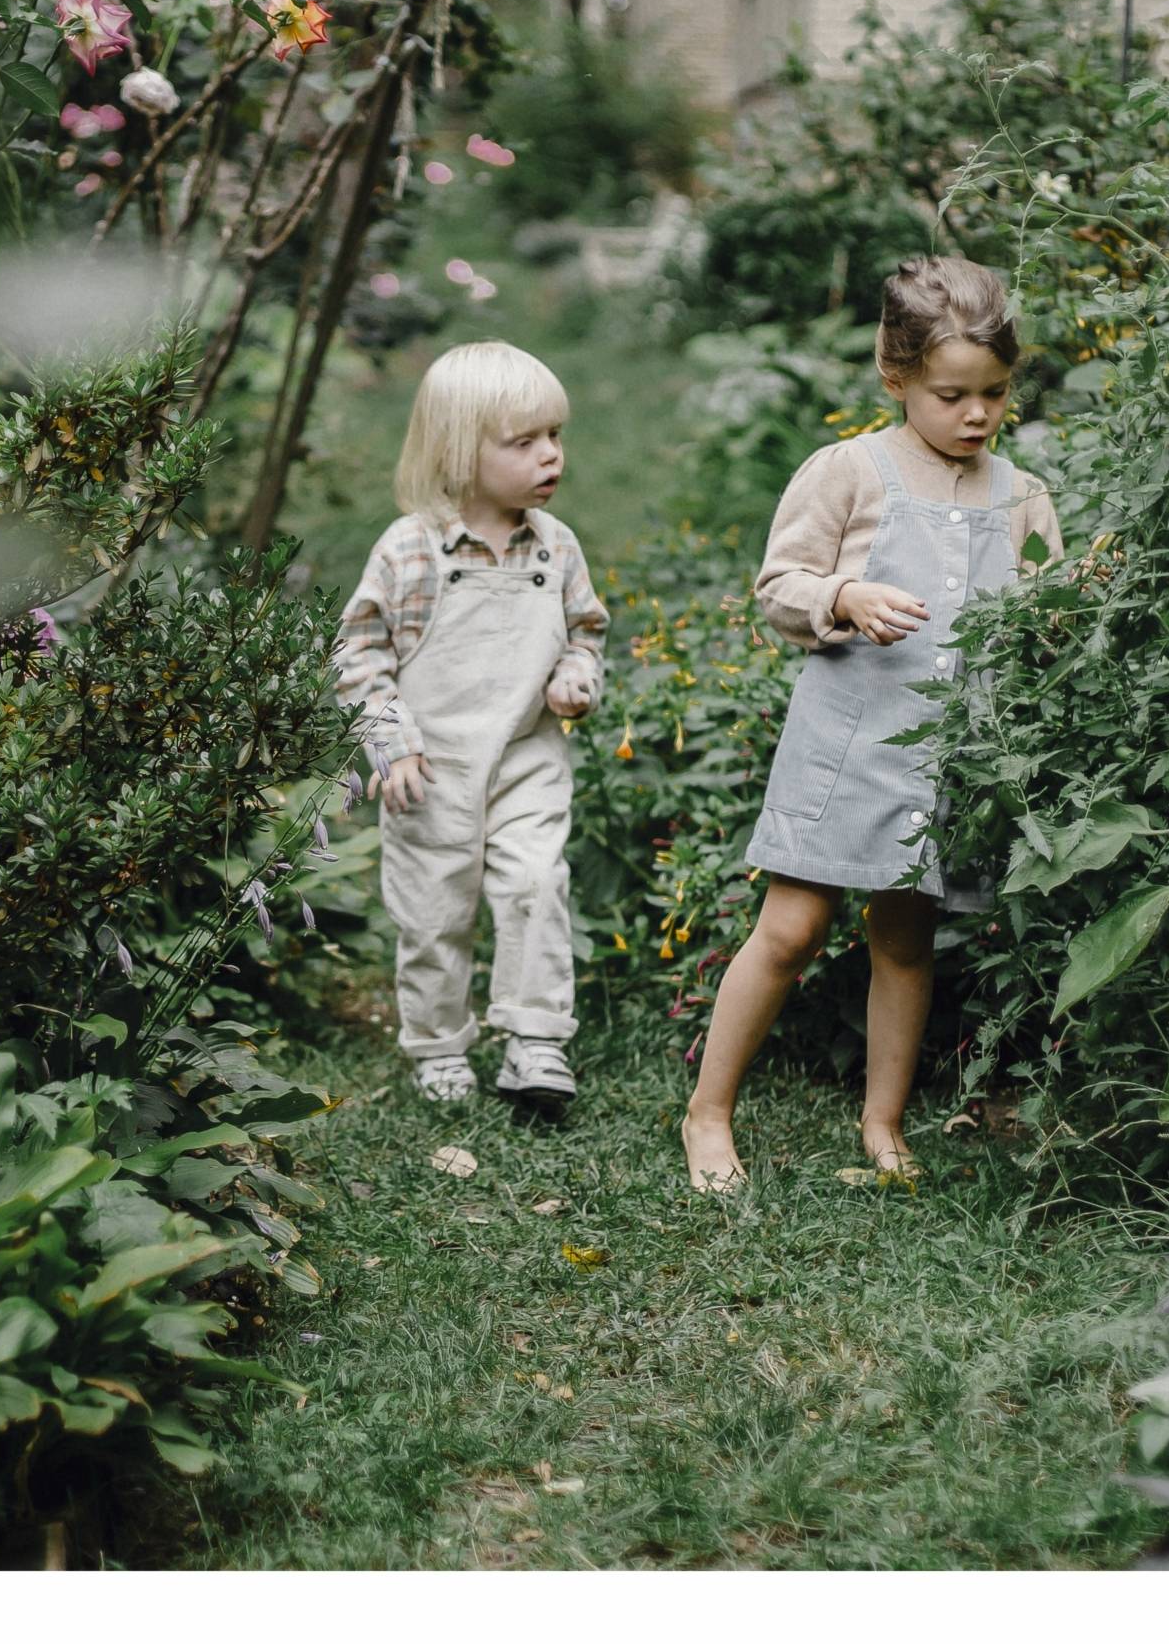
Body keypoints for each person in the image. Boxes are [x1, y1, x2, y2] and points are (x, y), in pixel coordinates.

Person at [682, 258, 1064, 1190]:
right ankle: (708, 1112)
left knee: (904, 936)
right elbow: (779, 586)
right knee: (792, 929)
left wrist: (1067, 605)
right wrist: (843, 596)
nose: (976, 415)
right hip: (848, 740)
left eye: (994, 393)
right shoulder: (851, 470)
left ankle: (883, 1122)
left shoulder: (1021, 494)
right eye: (951, 395)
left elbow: (1041, 614)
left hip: (950, 755)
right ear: (896, 377)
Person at [334, 341, 609, 1117]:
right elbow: (359, 650)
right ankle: (439, 1043)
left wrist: (575, 678)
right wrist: (391, 742)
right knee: (433, 913)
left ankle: (535, 1038)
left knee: (536, 885)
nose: (549, 455)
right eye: (523, 442)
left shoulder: (555, 546)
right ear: (459, 451)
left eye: (554, 435)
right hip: (433, 766)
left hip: (526, 754)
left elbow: (586, 632)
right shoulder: (410, 550)